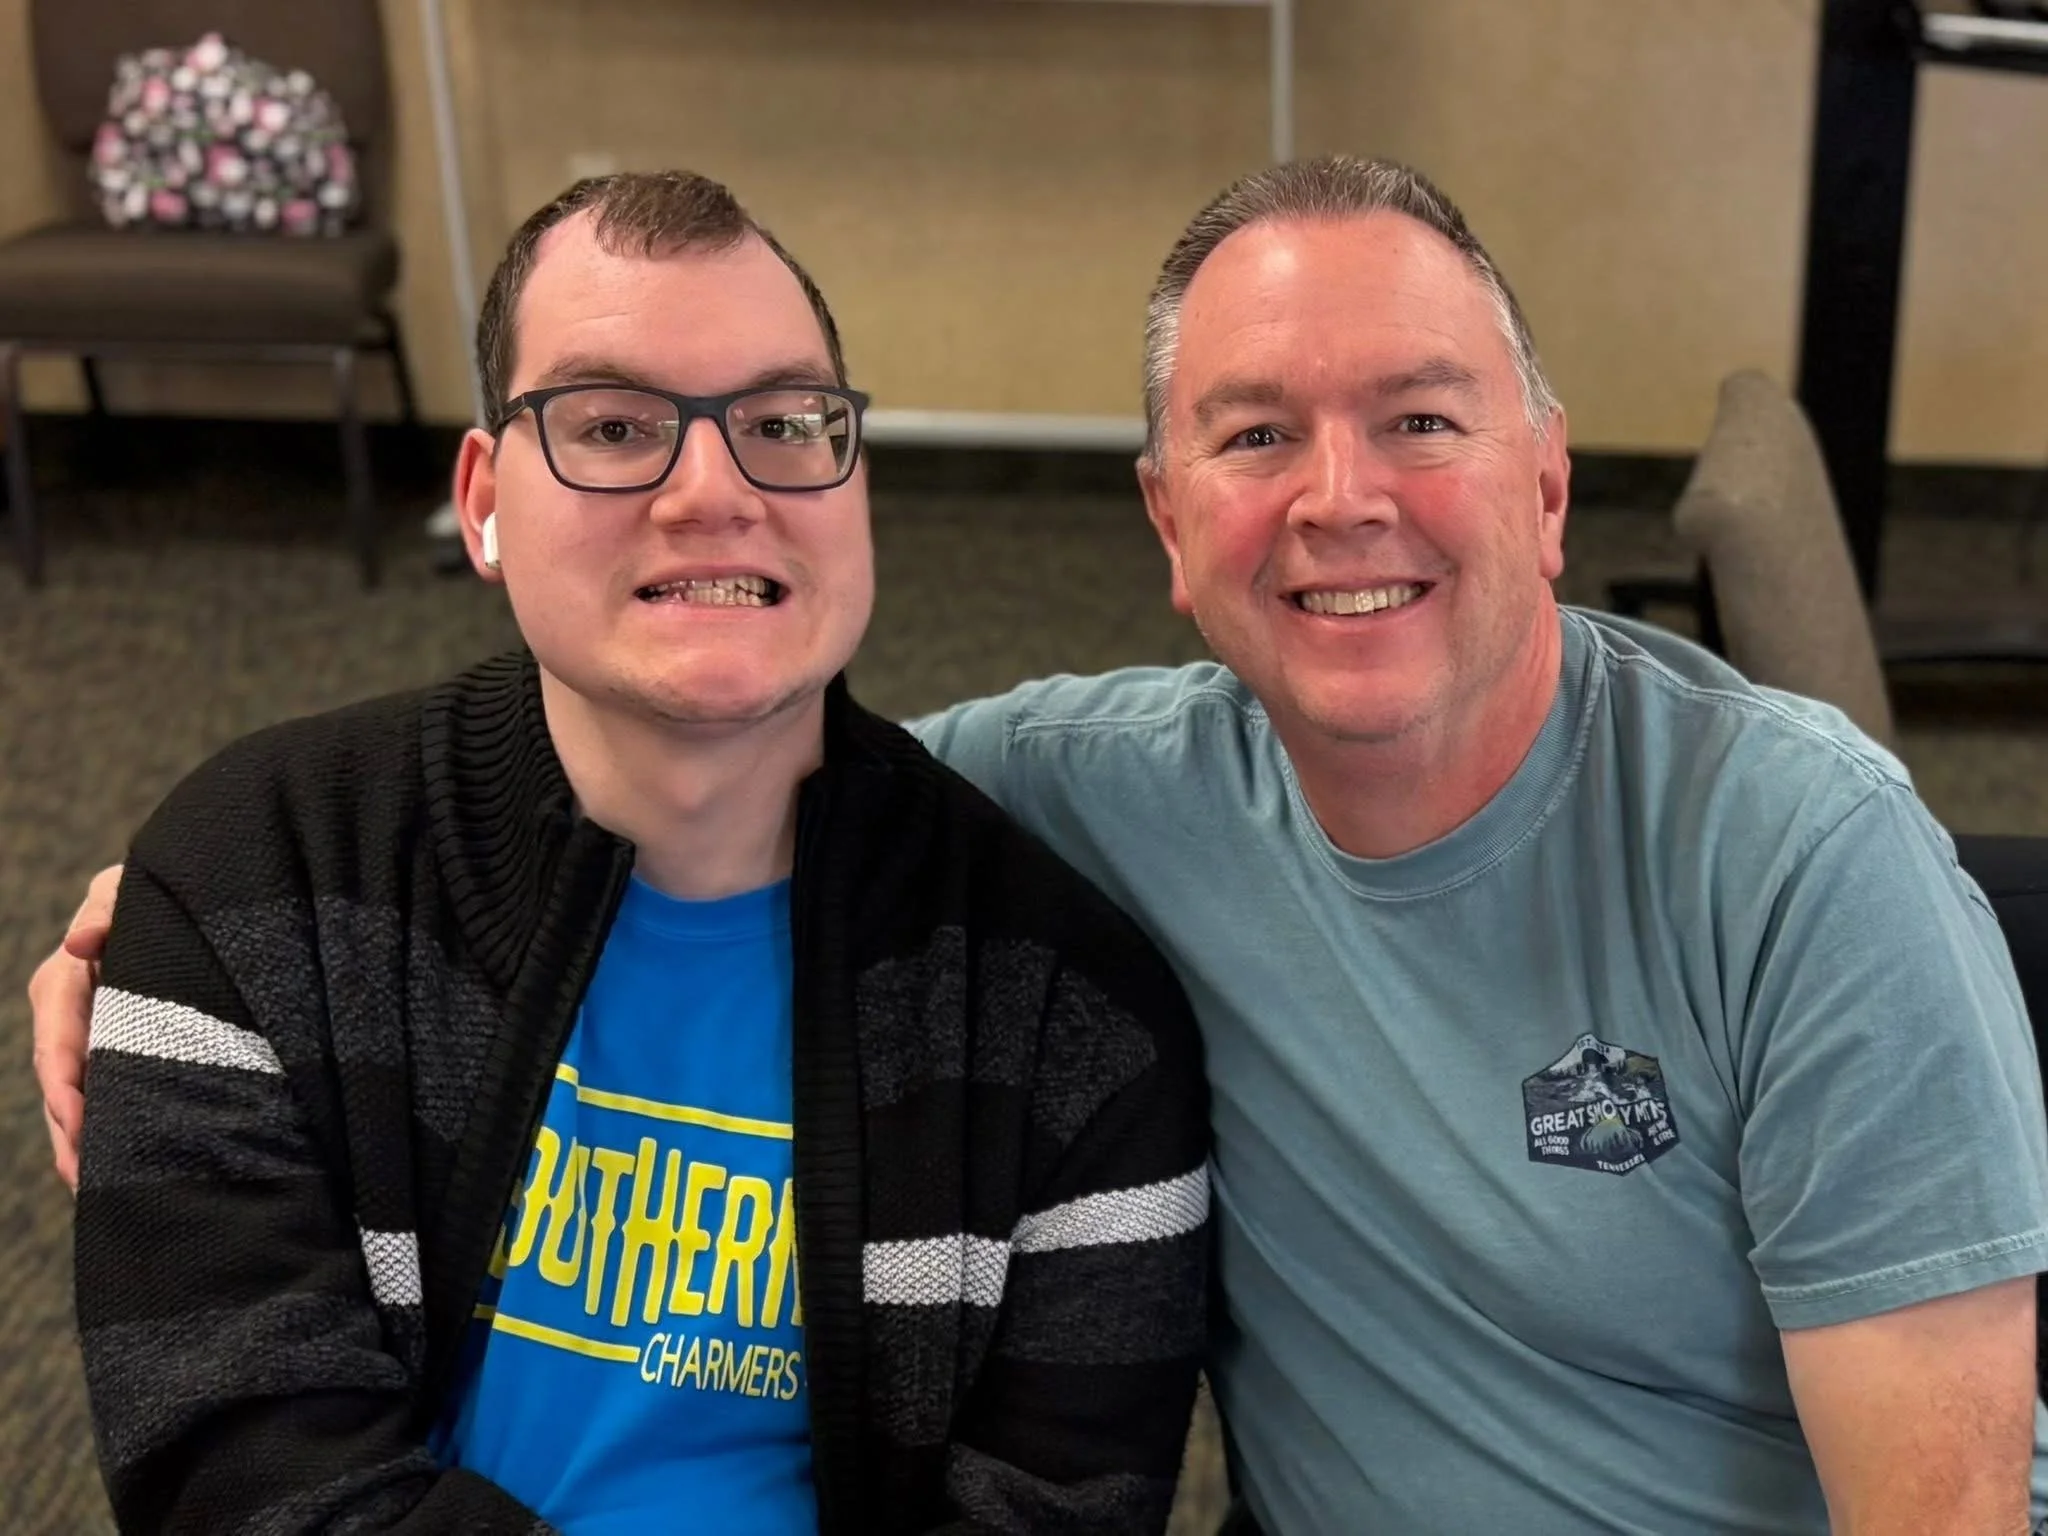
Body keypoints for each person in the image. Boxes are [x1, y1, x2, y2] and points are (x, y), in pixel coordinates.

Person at [35, 154, 2048, 1533]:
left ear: (1545, 485)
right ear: (1169, 523)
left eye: (1424, 422)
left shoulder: (1794, 856)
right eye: (1255, 435)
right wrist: (189, 925)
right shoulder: (1087, 805)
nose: (1340, 499)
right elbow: (731, 749)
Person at [38, 169, 1211, 1536]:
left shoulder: (1071, 1011)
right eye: (611, 426)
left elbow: (1062, 1510)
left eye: (784, 423)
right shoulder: (259, 886)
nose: (715, 491)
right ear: (483, 501)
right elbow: (245, 1485)